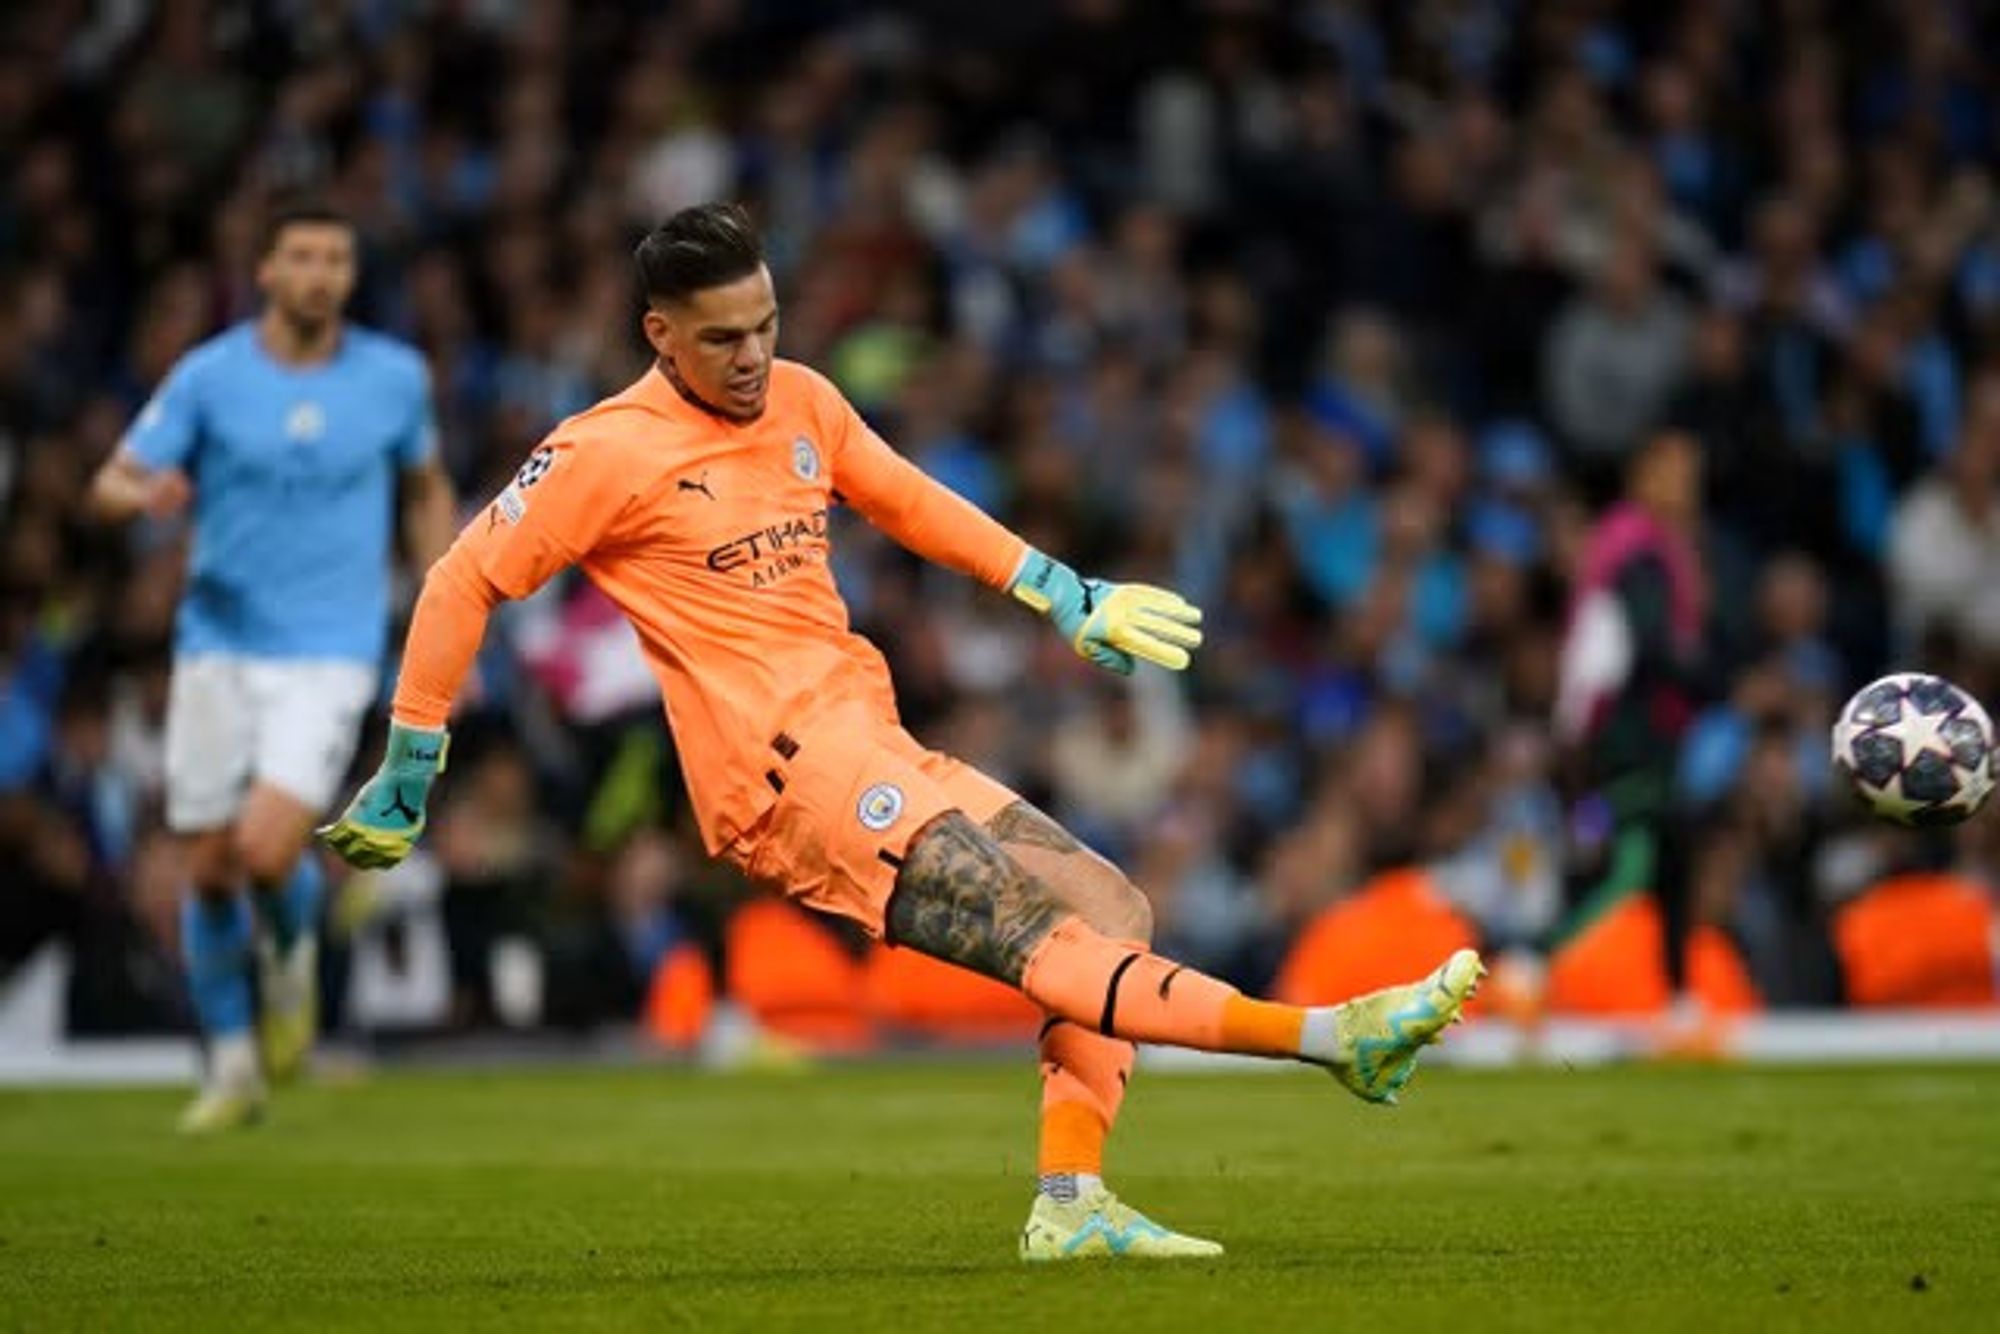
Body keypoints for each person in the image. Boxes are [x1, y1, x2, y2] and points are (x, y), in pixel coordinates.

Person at [320, 203, 1481, 1261]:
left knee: (1108, 905)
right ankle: (1334, 1036)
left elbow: (910, 501)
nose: (752, 356)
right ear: (658, 334)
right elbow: (458, 579)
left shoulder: (804, 400)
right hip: (783, 776)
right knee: (1039, 937)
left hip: (867, 735)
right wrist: (412, 762)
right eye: (722, 337)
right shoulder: (600, 454)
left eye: (766, 324)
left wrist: (1063, 595)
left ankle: (1070, 1204)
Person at [87, 203, 456, 1133]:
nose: (320, 273)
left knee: (260, 845)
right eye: (302, 256)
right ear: (264, 271)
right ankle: (235, 1066)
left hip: (331, 649)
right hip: (216, 645)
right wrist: (144, 492)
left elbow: (422, 487)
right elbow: (108, 482)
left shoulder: (394, 379)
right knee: (209, 868)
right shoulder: (211, 378)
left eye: (336, 256)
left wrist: (444, 590)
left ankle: (290, 952)